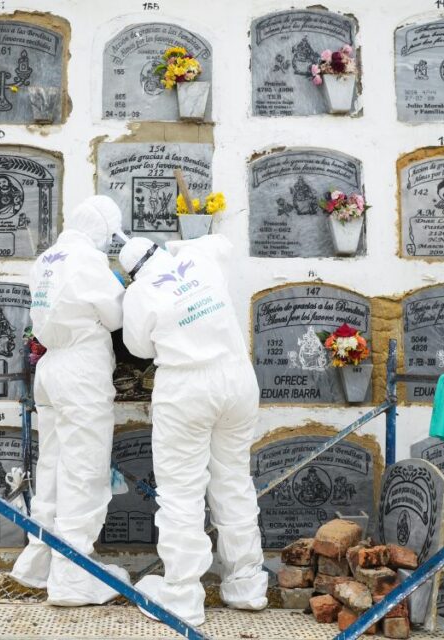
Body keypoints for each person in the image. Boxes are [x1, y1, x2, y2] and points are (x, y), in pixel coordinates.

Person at [118, 234, 267, 626]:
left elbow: (138, 348)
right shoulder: (199, 258)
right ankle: (247, 584)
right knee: (233, 480)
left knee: (181, 491)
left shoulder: (139, 293)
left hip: (186, 387)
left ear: (131, 273)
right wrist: (179, 247)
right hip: (236, 380)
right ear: (160, 250)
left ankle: (183, 596)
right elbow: (222, 242)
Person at [9, 195, 131, 605]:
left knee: (54, 463)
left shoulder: (46, 259)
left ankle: (39, 561)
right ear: (101, 229)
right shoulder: (87, 261)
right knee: (84, 468)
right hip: (81, 368)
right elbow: (115, 318)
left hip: (52, 368)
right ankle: (74, 575)